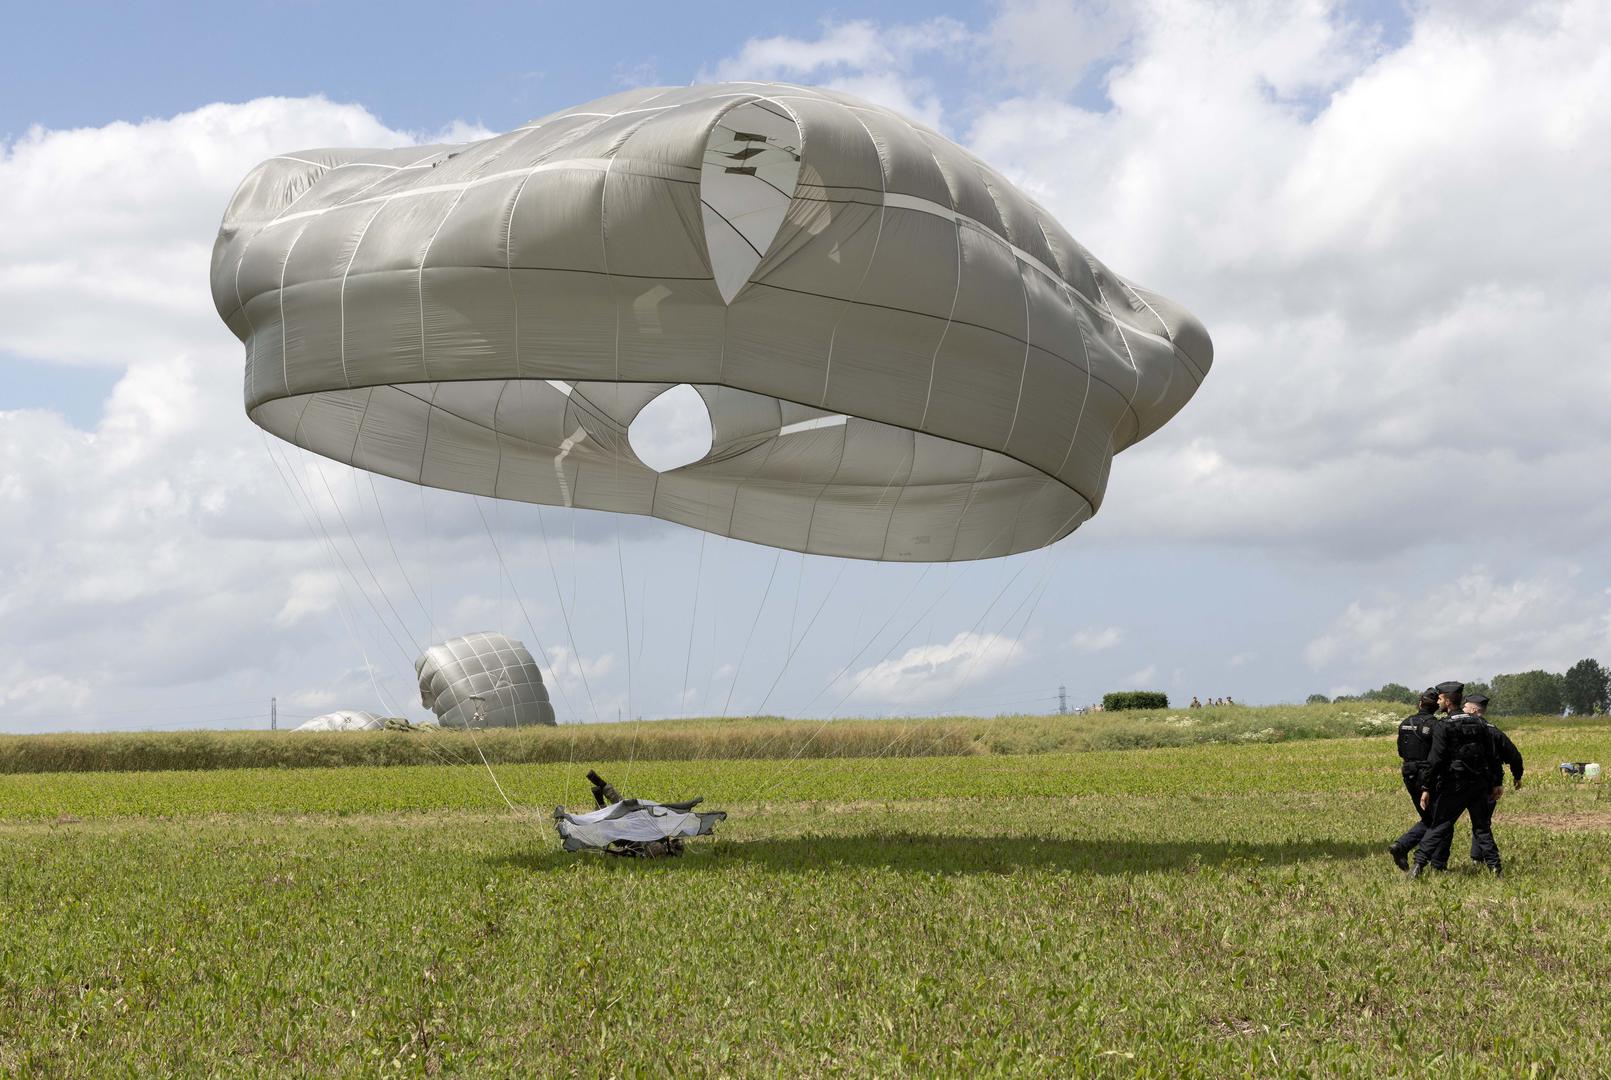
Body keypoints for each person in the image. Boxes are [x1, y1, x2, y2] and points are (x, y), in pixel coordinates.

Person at [1411, 694, 1505, 878]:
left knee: (1440, 825)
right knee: (1482, 828)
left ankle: (1418, 866)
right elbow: (1492, 755)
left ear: (1447, 701)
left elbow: (1435, 760)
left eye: (1440, 699)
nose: (1438, 702)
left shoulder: (1443, 725)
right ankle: (1495, 869)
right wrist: (1496, 783)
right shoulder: (1479, 723)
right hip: (1479, 784)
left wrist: (1426, 787)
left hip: (1454, 785)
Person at [1463, 692, 1523, 867]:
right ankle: (1477, 858)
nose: (1463, 709)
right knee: (1482, 821)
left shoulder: (1461, 728)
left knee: (1445, 822)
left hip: (1462, 783)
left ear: (1473, 709)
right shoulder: (1494, 731)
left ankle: (1438, 862)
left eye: (1465, 707)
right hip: (1488, 783)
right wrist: (1517, 776)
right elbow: (1514, 755)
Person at [1389, 688, 1442, 870]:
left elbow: (1401, 751)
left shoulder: (1405, 723)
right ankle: (1405, 847)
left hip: (1408, 772)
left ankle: (1405, 848)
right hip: (1427, 774)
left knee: (1429, 818)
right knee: (1437, 821)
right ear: (1436, 707)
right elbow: (1438, 753)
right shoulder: (1436, 725)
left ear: (1420, 703)